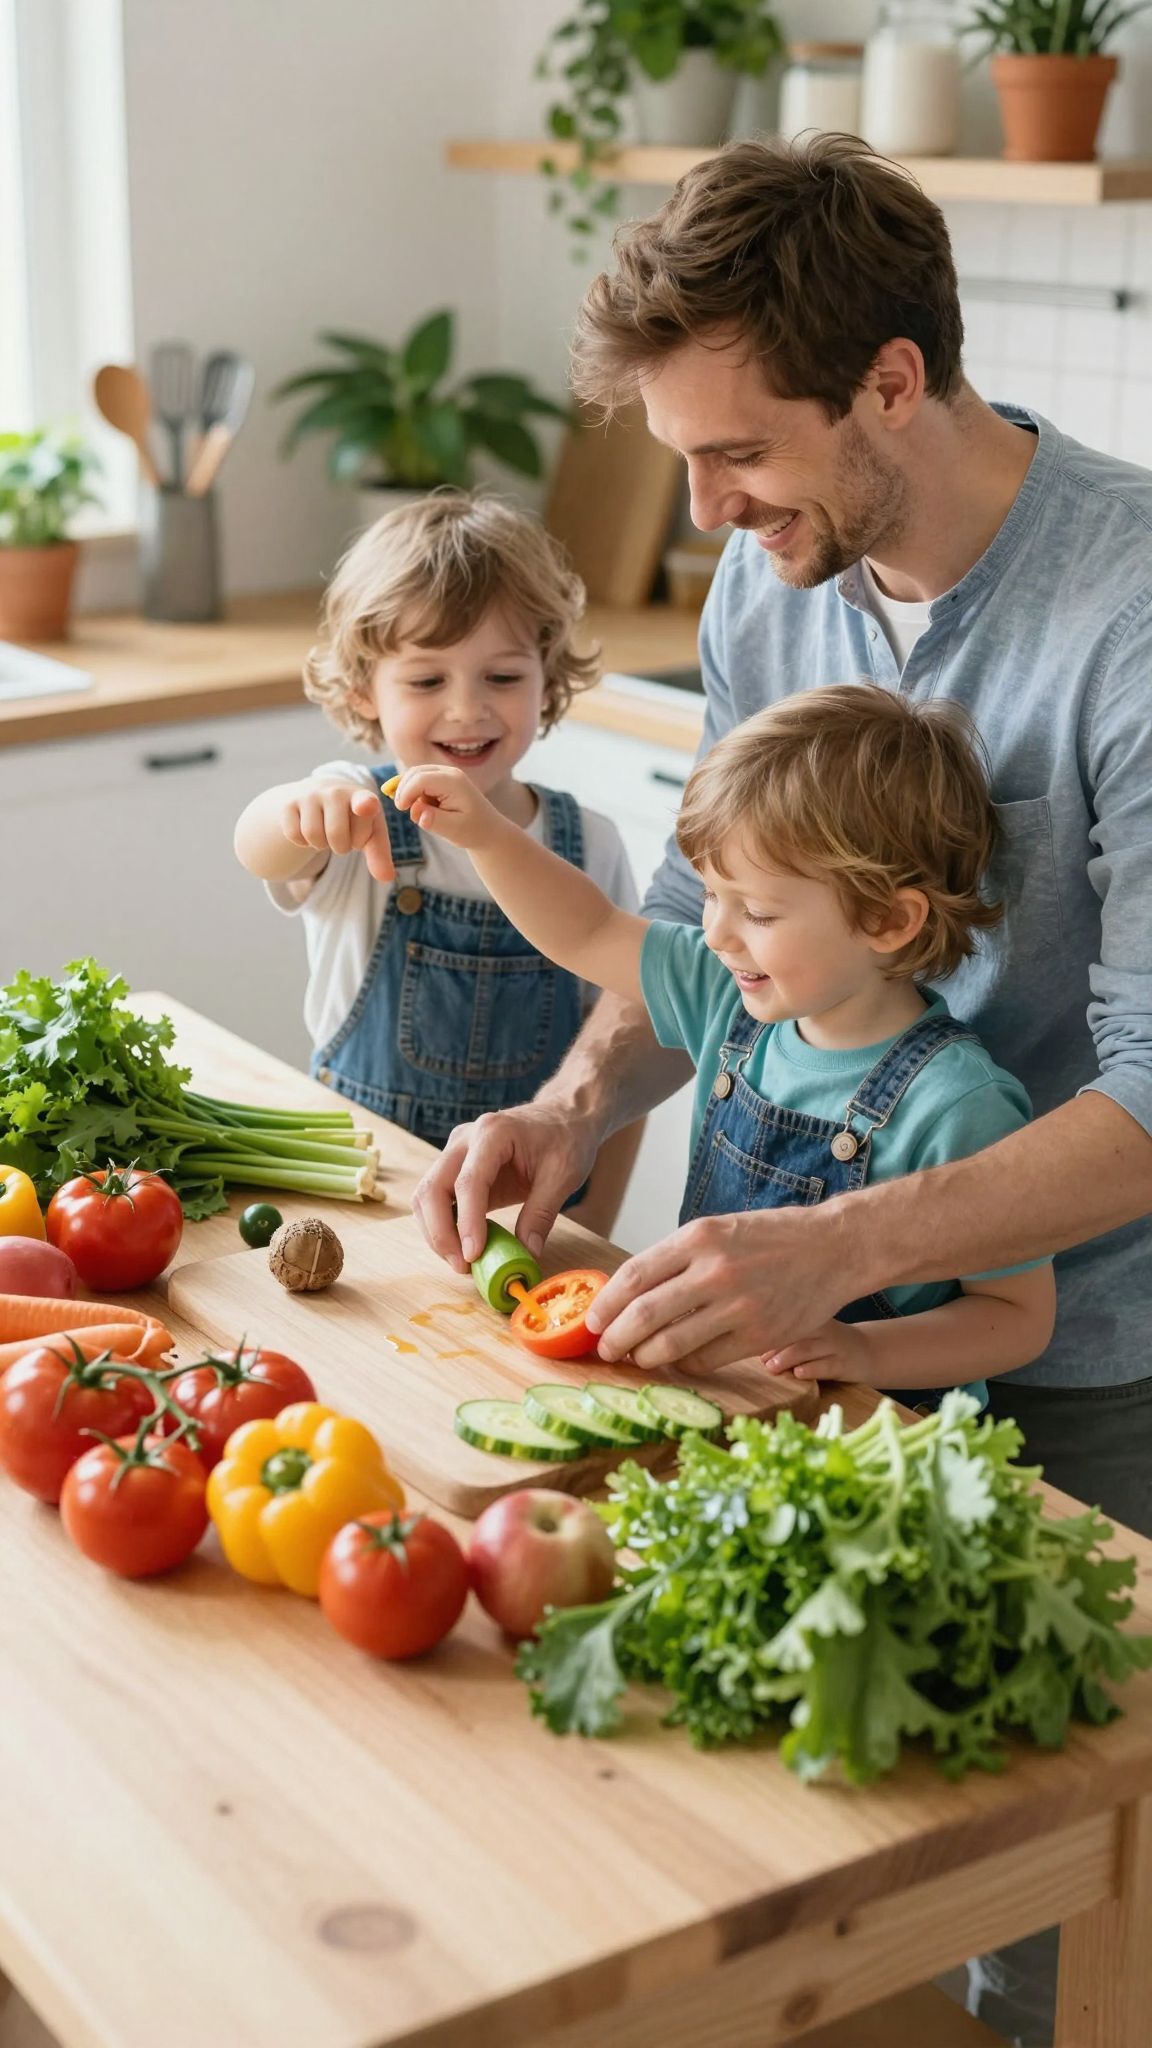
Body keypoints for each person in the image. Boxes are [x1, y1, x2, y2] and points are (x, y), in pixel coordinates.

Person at [410, 138, 1152, 2044]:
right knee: (759, 1836)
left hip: (1074, 1361)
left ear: (892, 381)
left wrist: (837, 1247)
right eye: (681, 456)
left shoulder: (1132, 612)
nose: (705, 508)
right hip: (791, 1348)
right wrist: (577, 1104)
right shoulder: (771, 579)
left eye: (737, 451)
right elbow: (694, 921)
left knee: (1038, 1904)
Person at [390, 683, 1055, 1402]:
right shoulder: (724, 991)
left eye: (758, 912)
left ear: (890, 921)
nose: (715, 933)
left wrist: (863, 1349)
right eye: (710, 894)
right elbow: (588, 929)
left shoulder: (959, 1102)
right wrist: (487, 836)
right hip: (724, 1398)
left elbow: (1016, 1317)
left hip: (871, 1431)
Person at [233, 489, 641, 1235]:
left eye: (503, 677)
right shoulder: (356, 811)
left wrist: (599, 1222)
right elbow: (260, 849)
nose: (467, 709)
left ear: (548, 677)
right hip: (363, 1206)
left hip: (528, 1225)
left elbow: (621, 1058)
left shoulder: (592, 844)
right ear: (364, 691)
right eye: (427, 681)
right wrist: (296, 810)